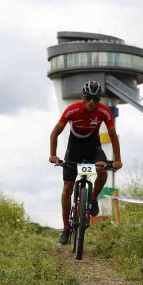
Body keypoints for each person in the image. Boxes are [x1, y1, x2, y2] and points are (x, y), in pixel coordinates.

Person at [49, 80, 123, 244]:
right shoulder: (72, 110)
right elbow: (54, 133)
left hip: (93, 148)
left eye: (96, 99)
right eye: (89, 97)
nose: (92, 102)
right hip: (74, 148)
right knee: (68, 186)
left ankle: (93, 199)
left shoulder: (104, 112)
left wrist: (117, 160)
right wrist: (53, 155)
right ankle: (66, 228)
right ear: (83, 96)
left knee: (102, 171)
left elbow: (112, 136)